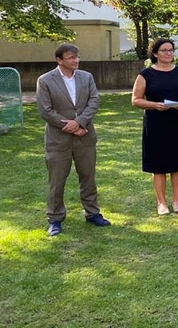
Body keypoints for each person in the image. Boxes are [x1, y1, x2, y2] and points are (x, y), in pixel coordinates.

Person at [36, 43, 111, 237]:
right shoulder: (45, 80)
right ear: (59, 60)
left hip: (85, 137)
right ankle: (54, 219)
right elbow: (45, 110)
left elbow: (94, 101)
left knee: (88, 177)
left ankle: (92, 213)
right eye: (71, 58)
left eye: (77, 57)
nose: (76, 60)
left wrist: (79, 122)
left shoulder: (87, 77)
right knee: (57, 180)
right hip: (58, 140)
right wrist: (68, 126)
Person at [132, 38, 178, 216]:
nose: (168, 53)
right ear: (155, 53)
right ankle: (161, 202)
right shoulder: (145, 74)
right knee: (158, 164)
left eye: (171, 50)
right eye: (164, 50)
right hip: (156, 123)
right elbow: (135, 100)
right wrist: (155, 105)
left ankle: (176, 200)